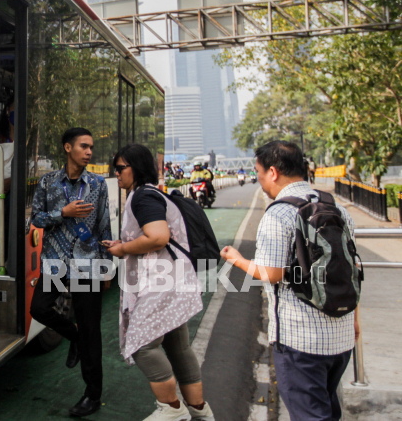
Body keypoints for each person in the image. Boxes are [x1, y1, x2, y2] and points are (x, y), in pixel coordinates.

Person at [221, 141, 357, 421]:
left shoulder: (278, 213)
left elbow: (271, 273)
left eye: (258, 174)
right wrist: (355, 319)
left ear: (273, 172)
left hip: (301, 341)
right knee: (327, 411)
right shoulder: (338, 209)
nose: (259, 182)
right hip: (341, 336)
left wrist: (236, 258)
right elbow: (350, 269)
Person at [102, 144, 214, 421]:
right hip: (173, 277)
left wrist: (124, 250)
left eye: (120, 168)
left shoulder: (143, 198)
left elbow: (158, 237)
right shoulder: (149, 194)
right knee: (177, 346)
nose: (116, 174)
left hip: (161, 281)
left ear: (136, 168)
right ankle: (200, 411)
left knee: (141, 344)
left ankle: (172, 409)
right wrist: (125, 244)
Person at [30, 127, 112, 418]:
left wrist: (106, 268)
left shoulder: (98, 184)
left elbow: (104, 225)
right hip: (55, 259)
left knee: (92, 332)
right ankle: (72, 335)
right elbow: (35, 217)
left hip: (87, 263)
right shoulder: (49, 182)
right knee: (38, 308)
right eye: (84, 146)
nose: (89, 151)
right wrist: (62, 214)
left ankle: (92, 395)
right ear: (68, 148)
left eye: (91, 147)